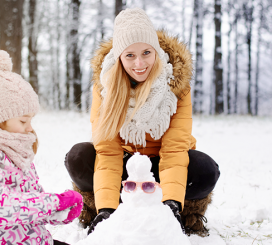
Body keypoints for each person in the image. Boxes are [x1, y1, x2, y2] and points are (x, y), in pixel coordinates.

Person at [65, 8, 220, 237]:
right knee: (78, 156)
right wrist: (106, 209)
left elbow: (175, 148)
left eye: (146, 52)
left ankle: (177, 209)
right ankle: (102, 207)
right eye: (130, 55)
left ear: (156, 50)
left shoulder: (176, 86)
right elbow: (107, 151)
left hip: (161, 167)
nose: (139, 63)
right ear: (119, 57)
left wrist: (172, 205)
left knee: (206, 169)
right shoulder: (105, 87)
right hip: (124, 168)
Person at [0, 49, 82, 245]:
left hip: (26, 239)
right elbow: (0, 209)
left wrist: (58, 213)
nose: (29, 128)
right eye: (23, 121)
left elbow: (30, 202)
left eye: (30, 120)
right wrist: (53, 203)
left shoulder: (15, 147)